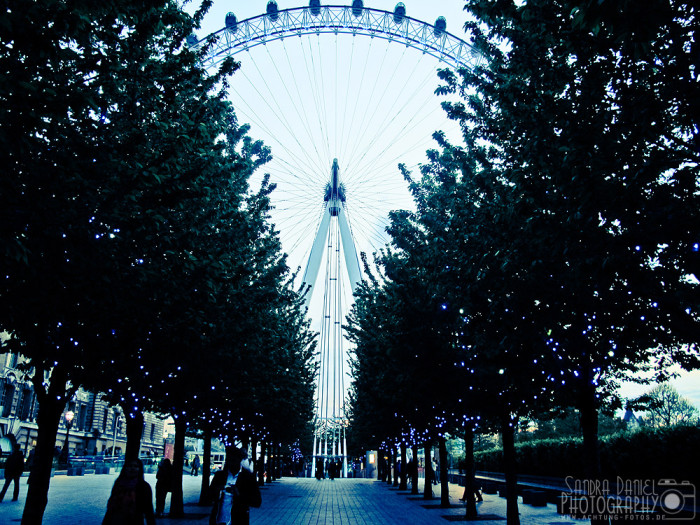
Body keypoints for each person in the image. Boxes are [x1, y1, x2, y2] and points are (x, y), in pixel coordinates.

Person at [210, 447, 261, 525]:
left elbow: (257, 502)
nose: (231, 463)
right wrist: (217, 490)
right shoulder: (219, 476)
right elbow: (208, 495)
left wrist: (239, 494)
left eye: (234, 460)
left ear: (240, 460)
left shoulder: (247, 478)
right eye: (229, 460)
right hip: (219, 521)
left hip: (238, 520)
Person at [102, 458, 155, 525]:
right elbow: (111, 506)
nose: (132, 468)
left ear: (140, 469)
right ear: (125, 468)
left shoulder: (144, 486)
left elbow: (148, 510)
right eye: (129, 466)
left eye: (135, 466)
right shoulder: (119, 483)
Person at [0, 437, 24, 502]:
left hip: (11, 472)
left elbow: (7, 465)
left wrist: (6, 473)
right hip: (15, 473)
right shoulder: (19, 455)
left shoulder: (12, 455)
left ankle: (1, 497)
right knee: (15, 485)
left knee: (6, 485)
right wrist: (20, 472)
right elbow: (21, 465)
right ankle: (15, 497)